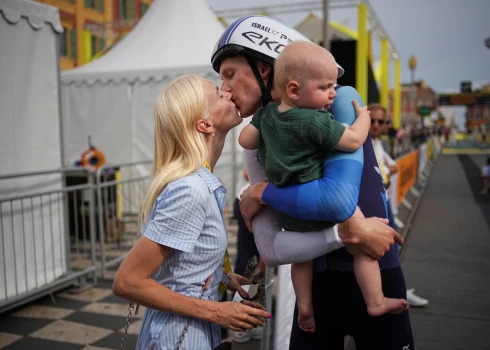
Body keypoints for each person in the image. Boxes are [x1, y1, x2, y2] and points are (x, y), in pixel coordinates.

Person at [212, 15, 413, 349]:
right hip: (316, 289)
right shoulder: (259, 138)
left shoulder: (339, 98)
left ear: (265, 70)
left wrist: (264, 192)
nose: (224, 88)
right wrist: (342, 232)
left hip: (374, 276)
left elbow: (336, 201)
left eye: (231, 74)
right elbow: (270, 248)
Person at [112, 74, 271, 350]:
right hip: (178, 337)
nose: (228, 92)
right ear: (205, 123)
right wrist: (218, 311)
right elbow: (127, 282)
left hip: (189, 330)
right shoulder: (190, 189)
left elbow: (178, 266)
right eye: (219, 94)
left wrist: (222, 278)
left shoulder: (202, 183)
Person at [369, 103, 429, 308]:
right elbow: (383, 169)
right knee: (389, 249)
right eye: (372, 120)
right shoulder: (363, 141)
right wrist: (386, 170)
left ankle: (393, 290)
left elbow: (389, 167)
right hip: (376, 204)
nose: (376, 125)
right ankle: (395, 291)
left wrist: (386, 169)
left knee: (390, 249)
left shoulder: (377, 142)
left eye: (381, 121)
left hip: (383, 200)